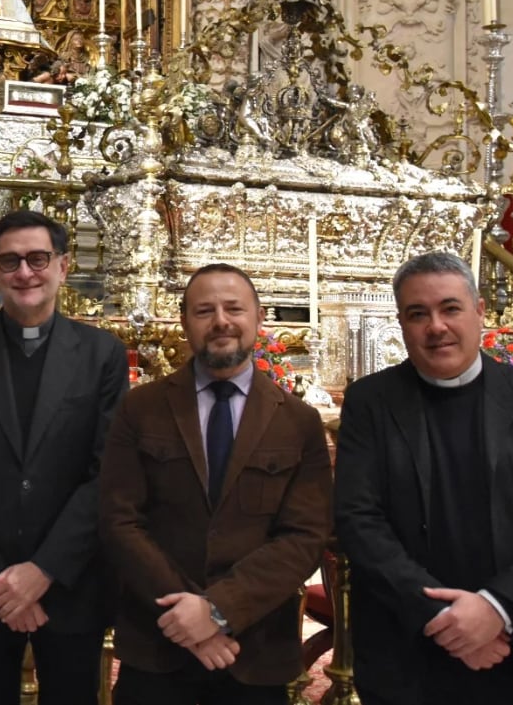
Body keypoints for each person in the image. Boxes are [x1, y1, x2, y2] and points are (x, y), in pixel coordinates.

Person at [334, 251, 513, 705]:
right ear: (401, 323)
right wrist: (446, 620)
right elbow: (359, 522)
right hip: (412, 653)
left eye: (450, 308)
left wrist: (498, 609)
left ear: (479, 312)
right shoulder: (370, 403)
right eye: (417, 314)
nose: (435, 326)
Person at [0, 210, 129, 705]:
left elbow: (109, 473)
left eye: (38, 258)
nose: (24, 272)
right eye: (10, 261)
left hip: (72, 585)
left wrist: (43, 572)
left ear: (63, 265)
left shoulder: (102, 354)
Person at [98, 263, 332, 705]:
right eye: (204, 310)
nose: (221, 321)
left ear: (258, 318)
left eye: (234, 308)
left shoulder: (298, 421)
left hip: (255, 650)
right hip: (156, 645)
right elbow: (119, 521)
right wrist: (188, 616)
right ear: (185, 322)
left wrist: (217, 610)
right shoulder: (140, 408)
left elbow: (304, 536)